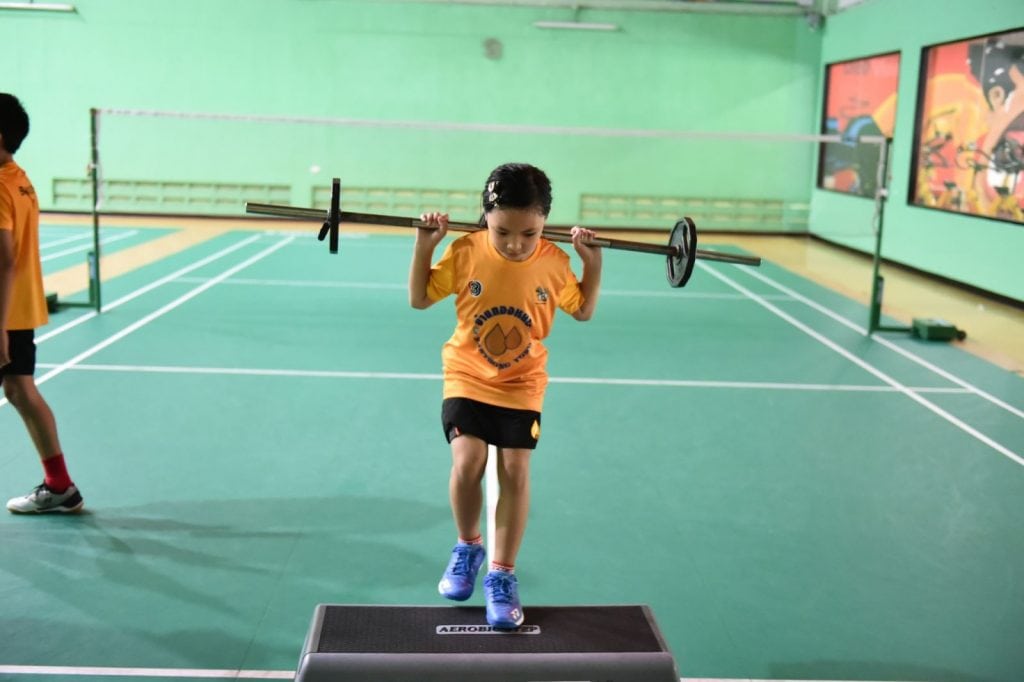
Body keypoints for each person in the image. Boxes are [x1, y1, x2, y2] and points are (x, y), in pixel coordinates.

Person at [408, 162, 602, 629]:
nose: (516, 244)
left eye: (529, 233)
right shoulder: (466, 250)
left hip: (522, 383)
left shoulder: (554, 262)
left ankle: (502, 574)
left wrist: (592, 263)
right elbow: (420, 297)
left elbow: (583, 310)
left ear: (544, 223)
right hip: (467, 375)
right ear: (486, 219)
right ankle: (468, 547)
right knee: (468, 461)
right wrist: (424, 245)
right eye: (503, 232)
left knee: (515, 470)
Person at [0, 93, 83, 514]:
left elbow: (5, 260)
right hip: (17, 310)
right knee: (20, 390)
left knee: (22, 391)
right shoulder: (20, 179)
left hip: (3, 312)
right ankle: (60, 486)